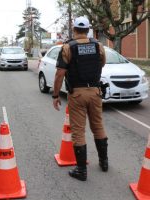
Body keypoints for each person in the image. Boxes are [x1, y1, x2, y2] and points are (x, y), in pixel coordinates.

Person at [52, 16, 108, 181]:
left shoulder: (68, 47)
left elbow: (60, 73)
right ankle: (104, 162)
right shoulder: (98, 45)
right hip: (96, 91)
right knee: (98, 126)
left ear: (74, 29)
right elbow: (102, 64)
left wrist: (55, 95)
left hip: (77, 93)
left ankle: (81, 171)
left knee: (78, 131)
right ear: (88, 29)